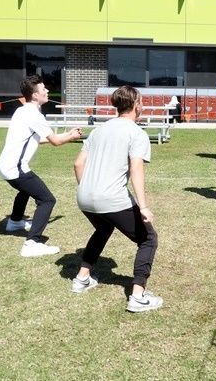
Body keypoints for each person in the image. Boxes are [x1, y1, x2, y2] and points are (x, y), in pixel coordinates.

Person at [71, 85, 163, 313]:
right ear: (135, 105)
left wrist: (88, 189)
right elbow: (136, 171)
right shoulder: (137, 133)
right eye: (141, 102)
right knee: (148, 238)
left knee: (103, 229)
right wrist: (144, 206)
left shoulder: (98, 130)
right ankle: (138, 296)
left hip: (84, 196)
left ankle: (82, 278)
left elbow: (78, 164)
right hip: (110, 198)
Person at [0, 75, 82, 257]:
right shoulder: (34, 115)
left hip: (5, 166)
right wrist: (72, 137)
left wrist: (66, 133)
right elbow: (56, 142)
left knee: (26, 190)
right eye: (44, 90)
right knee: (47, 200)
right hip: (15, 168)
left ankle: (15, 222)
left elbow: (39, 139)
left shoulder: (22, 111)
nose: (47, 92)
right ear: (35, 96)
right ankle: (31, 243)